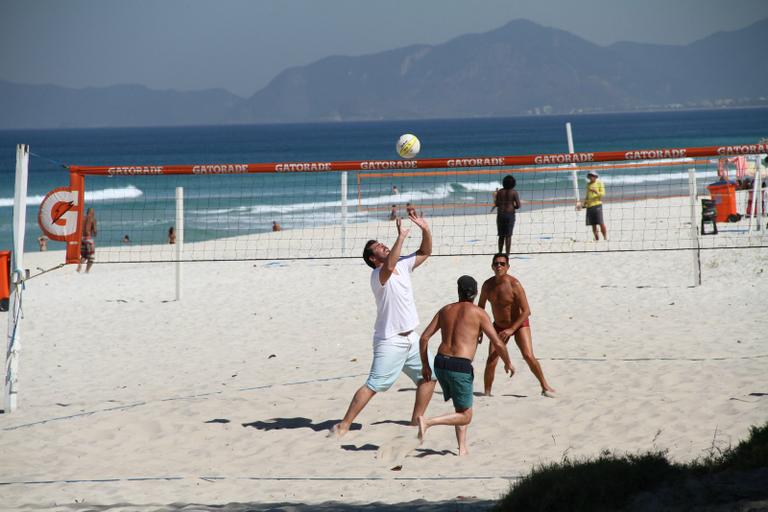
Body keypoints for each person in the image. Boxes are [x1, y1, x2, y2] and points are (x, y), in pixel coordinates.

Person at [330, 210, 436, 438]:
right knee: (374, 385)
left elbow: (426, 251)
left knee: (429, 377)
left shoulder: (404, 265)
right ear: (372, 258)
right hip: (390, 340)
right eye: (378, 246)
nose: (383, 245)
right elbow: (389, 267)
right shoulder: (378, 274)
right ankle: (344, 425)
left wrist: (425, 229)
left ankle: (414, 424)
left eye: (382, 243)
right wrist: (400, 237)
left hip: (412, 338)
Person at [417, 275, 514, 456]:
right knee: (466, 415)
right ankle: (428, 422)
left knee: (461, 407)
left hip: (440, 362)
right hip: (460, 366)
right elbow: (498, 343)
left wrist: (425, 365)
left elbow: (423, 338)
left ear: (458, 291)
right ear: (476, 293)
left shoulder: (446, 309)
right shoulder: (478, 313)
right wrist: (508, 362)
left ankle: (462, 448)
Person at [478, 253, 555, 397]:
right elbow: (480, 309)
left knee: (528, 355)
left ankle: (545, 386)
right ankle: (487, 394)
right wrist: (480, 329)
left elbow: (527, 311)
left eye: (502, 264)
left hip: (518, 324)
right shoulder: (487, 285)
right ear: (492, 267)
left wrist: (512, 329)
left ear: (507, 267)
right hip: (499, 326)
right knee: (492, 359)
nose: (499, 266)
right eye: (496, 264)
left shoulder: (514, 284)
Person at [494, 175, 520, 255]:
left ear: (503, 183)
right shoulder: (514, 192)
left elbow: (497, 204)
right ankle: (507, 254)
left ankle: (500, 252)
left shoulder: (500, 192)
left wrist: (495, 196)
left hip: (500, 214)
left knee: (501, 235)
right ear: (513, 184)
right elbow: (518, 206)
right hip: (509, 214)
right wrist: (512, 206)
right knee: (508, 236)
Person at [581, 171, 607, 241]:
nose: (591, 177)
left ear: (595, 176)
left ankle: (605, 238)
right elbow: (587, 196)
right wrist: (584, 204)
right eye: (590, 176)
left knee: (601, 222)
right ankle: (597, 238)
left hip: (597, 205)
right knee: (593, 224)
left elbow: (603, 194)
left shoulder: (599, 183)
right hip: (589, 206)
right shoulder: (588, 184)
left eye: (592, 175)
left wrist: (595, 191)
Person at [76, 207, 97, 273]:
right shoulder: (92, 219)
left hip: (81, 239)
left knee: (84, 256)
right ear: (92, 213)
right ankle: (87, 271)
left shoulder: (81, 218)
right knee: (91, 257)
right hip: (88, 239)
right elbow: (95, 232)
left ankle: (79, 266)